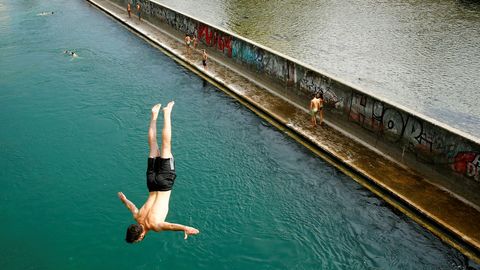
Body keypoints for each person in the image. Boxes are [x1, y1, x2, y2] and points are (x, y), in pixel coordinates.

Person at [118, 102, 200, 243]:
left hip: (164, 183)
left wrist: (185, 228)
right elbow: (131, 206)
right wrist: (124, 199)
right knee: (153, 146)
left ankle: (167, 113)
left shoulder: (155, 226)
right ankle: (154, 115)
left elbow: (171, 226)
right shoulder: (137, 217)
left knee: (166, 145)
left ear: (141, 236)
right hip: (151, 183)